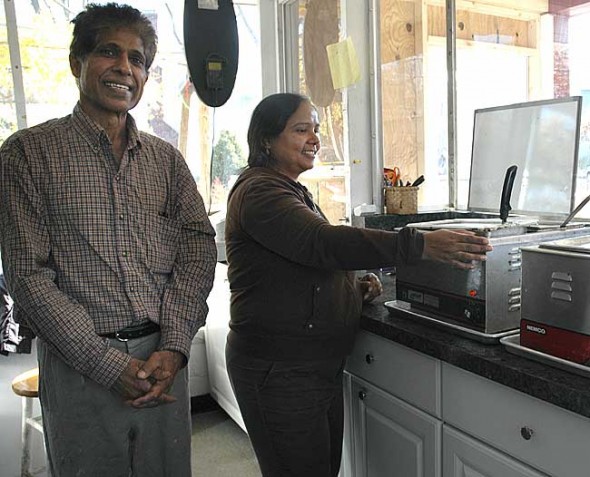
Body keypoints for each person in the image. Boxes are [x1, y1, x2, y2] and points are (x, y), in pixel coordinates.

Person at [224, 92, 492, 477]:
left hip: (308, 366)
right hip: (280, 370)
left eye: (315, 129)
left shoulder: (288, 188)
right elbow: (322, 243)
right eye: (301, 129)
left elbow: (302, 264)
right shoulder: (261, 192)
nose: (314, 138)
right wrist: (420, 243)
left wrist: (352, 288)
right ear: (266, 139)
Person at [0, 4, 216, 476]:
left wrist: (177, 345)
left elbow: (198, 247)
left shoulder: (166, 161)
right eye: (108, 52)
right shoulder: (28, 155)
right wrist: (104, 366)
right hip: (79, 364)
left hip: (162, 359)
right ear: (77, 63)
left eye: (138, 60)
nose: (125, 68)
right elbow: (27, 276)